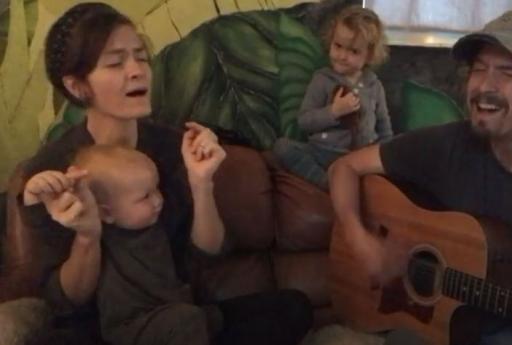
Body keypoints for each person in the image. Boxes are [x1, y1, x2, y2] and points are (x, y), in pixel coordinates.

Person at [19, 2, 311, 345]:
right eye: (116, 62)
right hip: (104, 330)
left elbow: (206, 255)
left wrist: (202, 184)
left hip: (176, 317)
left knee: (292, 308)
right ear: (78, 86)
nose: (137, 70)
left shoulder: (172, 147)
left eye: (141, 57)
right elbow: (65, 300)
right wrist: (87, 237)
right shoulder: (51, 172)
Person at [329, 9, 512, 345]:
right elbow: (344, 167)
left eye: (507, 72)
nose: (484, 85)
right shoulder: (448, 144)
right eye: (478, 69)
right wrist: (361, 242)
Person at [273, 5, 393, 190]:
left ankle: (354, 184)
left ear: (369, 55)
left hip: (359, 158)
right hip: (323, 153)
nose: (342, 56)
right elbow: (304, 121)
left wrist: (384, 156)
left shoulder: (374, 86)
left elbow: (384, 128)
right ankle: (327, 183)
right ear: (331, 42)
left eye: (353, 51)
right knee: (282, 146)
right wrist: (334, 112)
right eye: (338, 46)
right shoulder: (322, 79)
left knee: (397, 151)